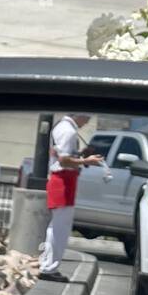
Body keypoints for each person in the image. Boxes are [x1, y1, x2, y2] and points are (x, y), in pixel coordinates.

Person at [39, 113, 103, 278]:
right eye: (87, 116)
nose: (88, 120)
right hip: (64, 181)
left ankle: (47, 264)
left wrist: (80, 156)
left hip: (60, 180)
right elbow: (64, 160)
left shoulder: (61, 127)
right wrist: (86, 161)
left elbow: (63, 156)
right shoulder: (70, 132)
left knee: (56, 226)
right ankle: (49, 267)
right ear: (78, 115)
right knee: (61, 228)